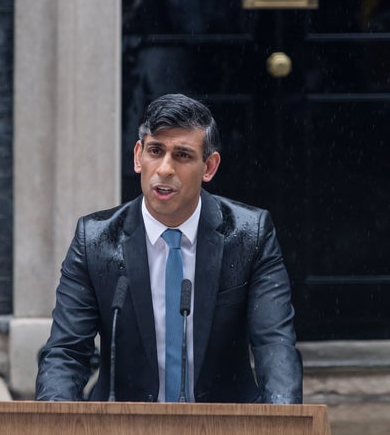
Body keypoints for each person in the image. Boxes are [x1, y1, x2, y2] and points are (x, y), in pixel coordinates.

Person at [35, 93, 302, 404]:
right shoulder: (94, 240)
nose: (164, 169)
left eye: (183, 155)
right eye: (155, 151)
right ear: (138, 156)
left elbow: (274, 344)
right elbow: (67, 351)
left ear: (209, 167)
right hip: (123, 432)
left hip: (224, 432)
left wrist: (283, 427)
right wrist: (54, 422)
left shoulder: (250, 235)